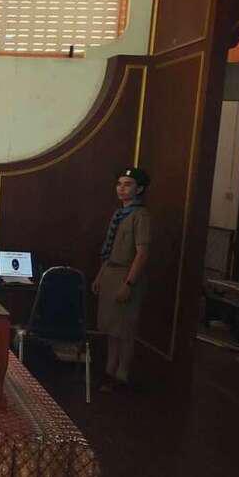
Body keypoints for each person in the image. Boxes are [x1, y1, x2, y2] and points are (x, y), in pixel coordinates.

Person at [92, 167, 152, 392]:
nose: (121, 188)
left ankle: (121, 374)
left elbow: (142, 253)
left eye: (128, 184)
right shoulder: (120, 214)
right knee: (111, 328)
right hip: (111, 273)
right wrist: (100, 276)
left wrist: (129, 283)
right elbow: (110, 251)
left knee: (125, 330)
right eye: (119, 184)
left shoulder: (140, 216)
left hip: (126, 275)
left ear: (140, 189)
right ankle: (110, 370)